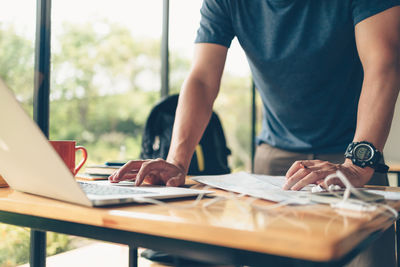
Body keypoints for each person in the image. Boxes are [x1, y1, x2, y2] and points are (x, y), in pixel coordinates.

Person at [110, 1, 400, 266]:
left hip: (352, 155)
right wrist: (177, 161)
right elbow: (201, 78)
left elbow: (383, 62)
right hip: (277, 162)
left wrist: (357, 165)